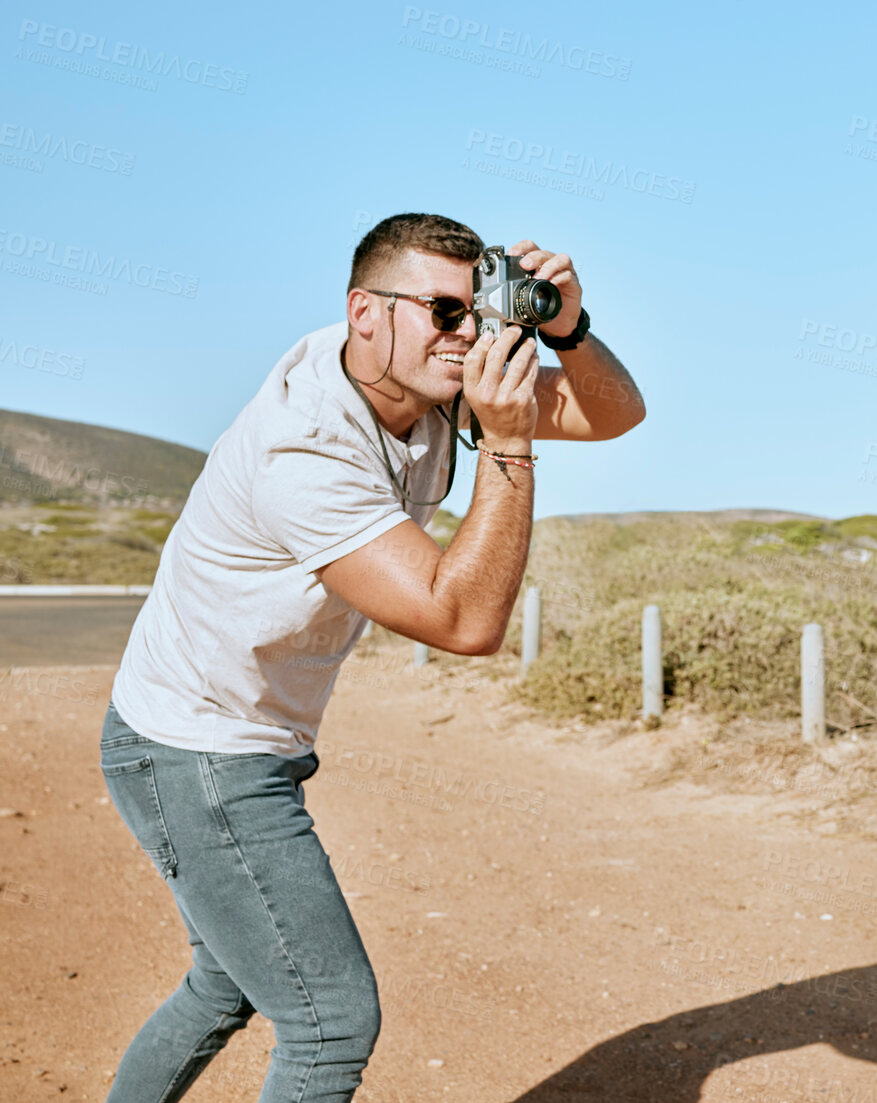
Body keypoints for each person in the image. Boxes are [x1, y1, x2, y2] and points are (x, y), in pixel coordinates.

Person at [98, 213, 645, 1101]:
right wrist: (508, 442)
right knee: (329, 1022)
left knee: (222, 984)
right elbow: (462, 621)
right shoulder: (303, 443)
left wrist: (570, 329)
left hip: (223, 737)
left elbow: (617, 412)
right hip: (197, 749)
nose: (468, 334)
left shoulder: (429, 378)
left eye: (481, 311)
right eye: (441, 310)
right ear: (365, 312)